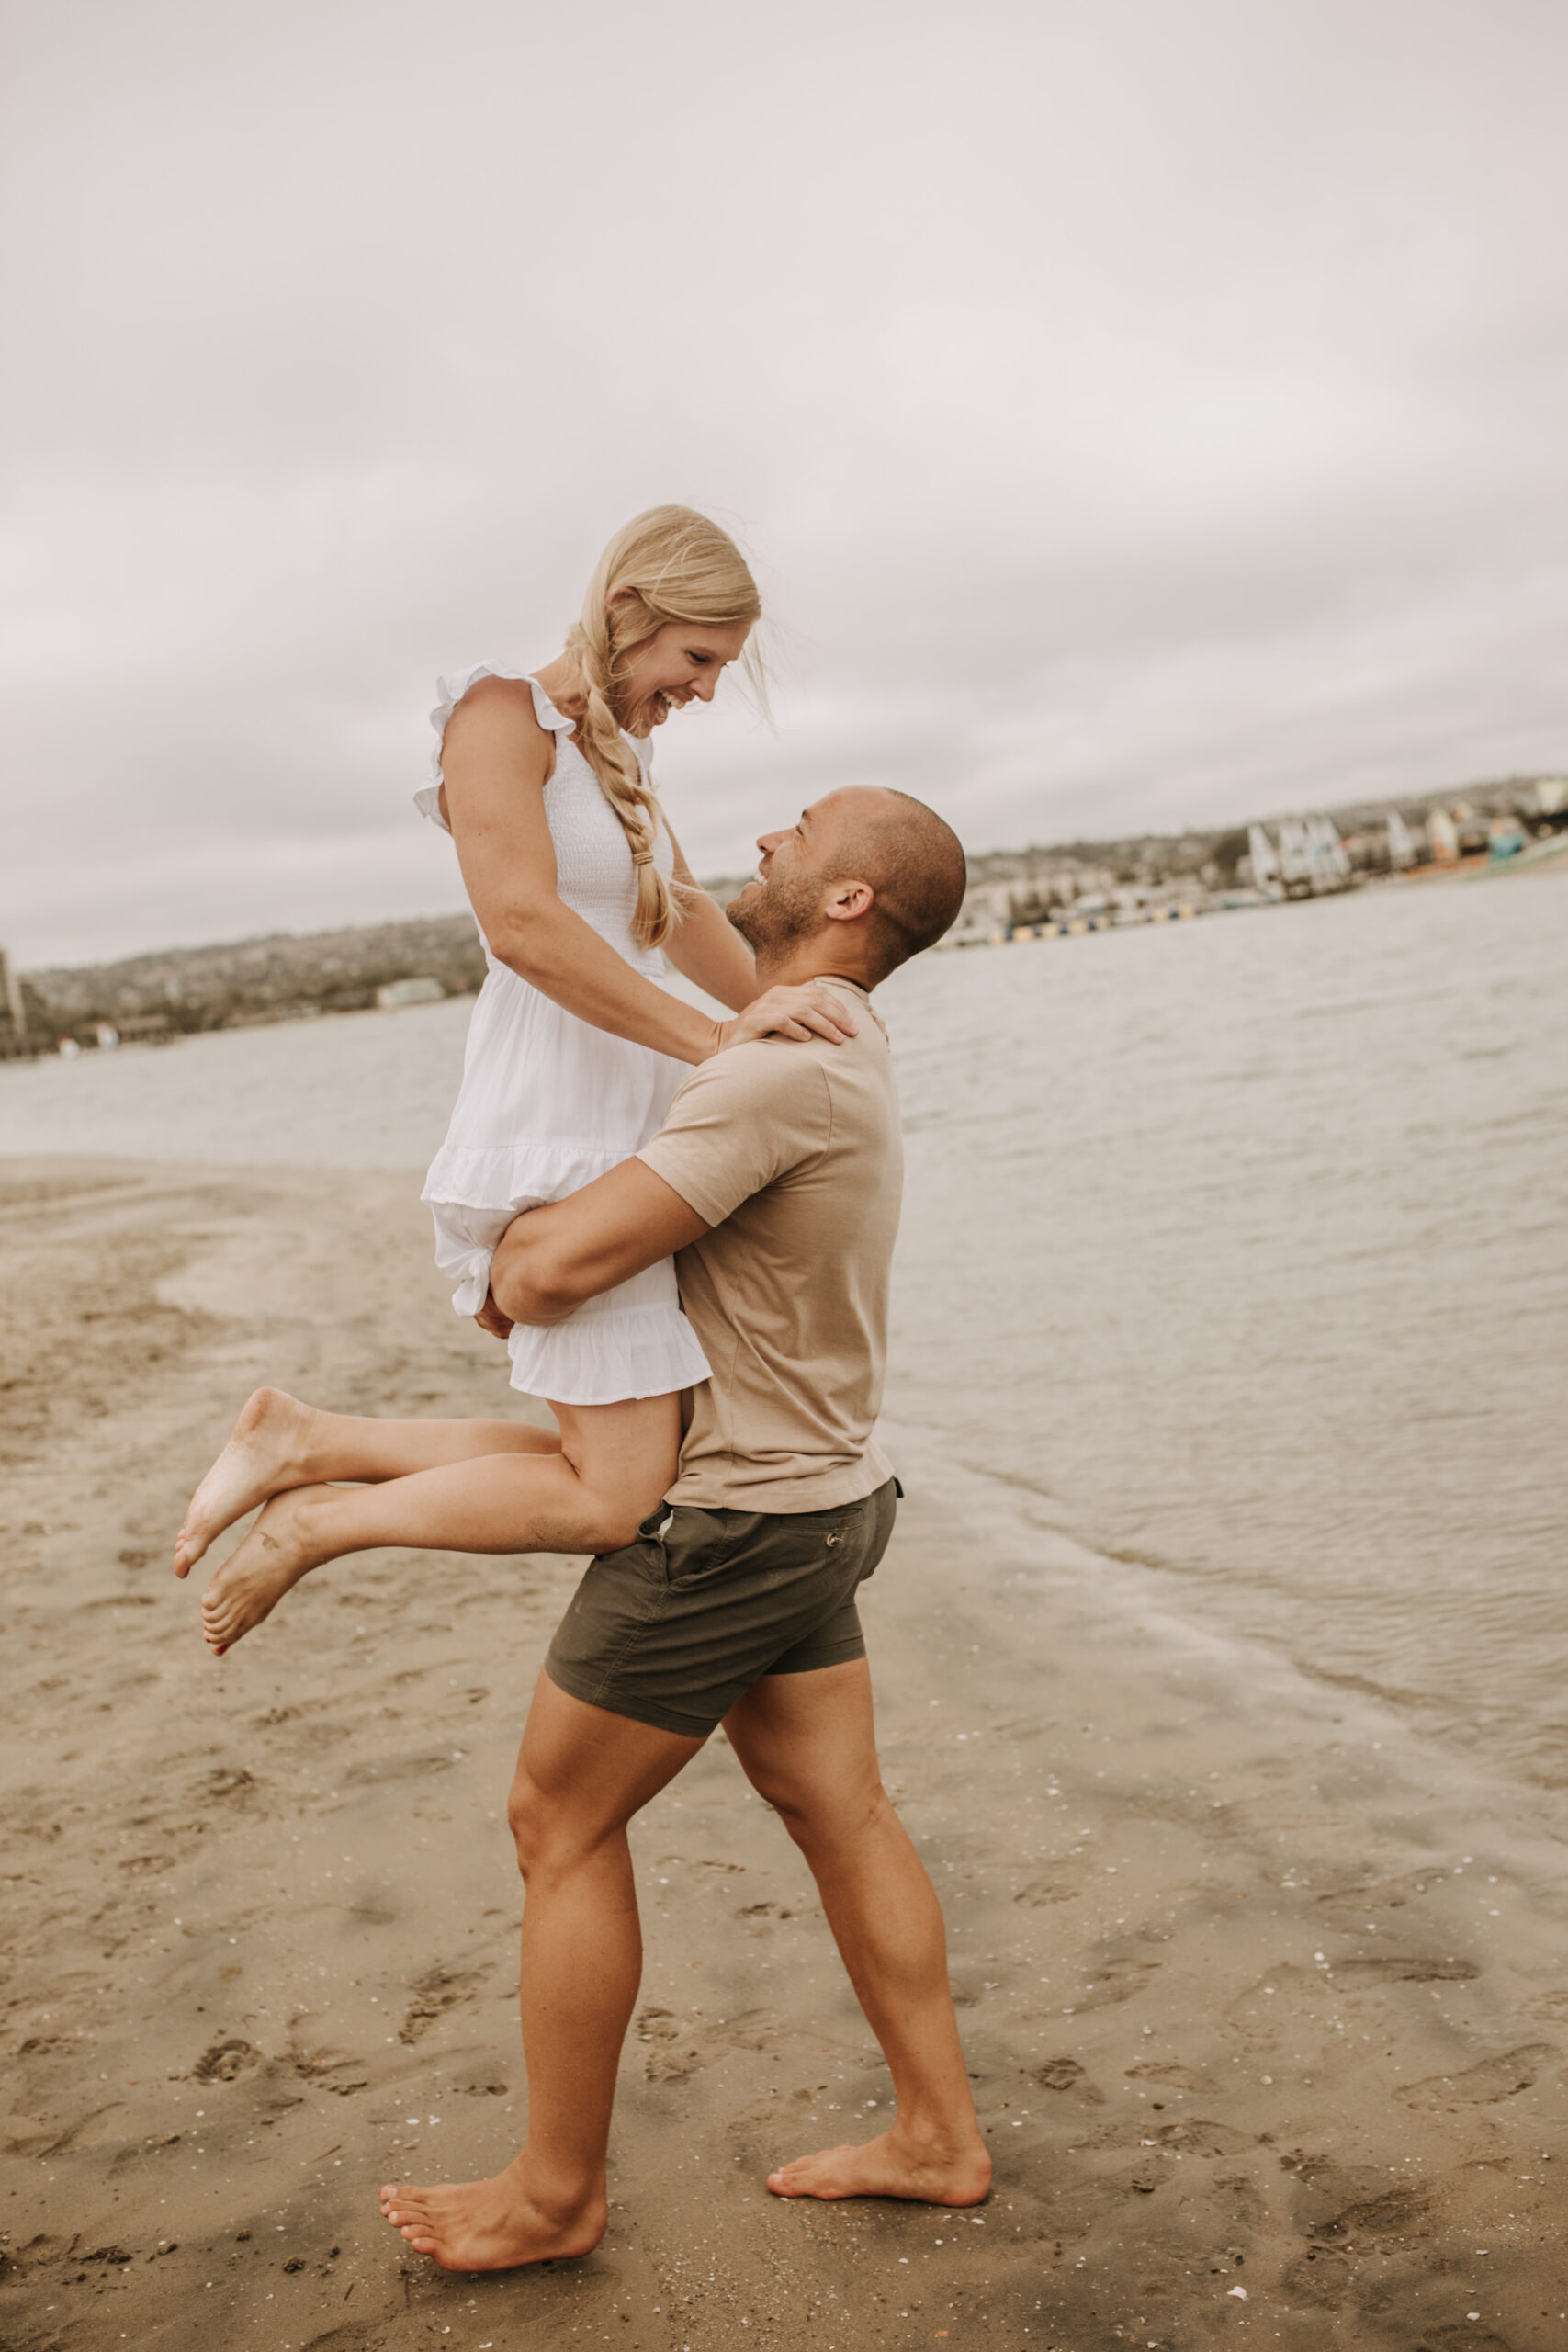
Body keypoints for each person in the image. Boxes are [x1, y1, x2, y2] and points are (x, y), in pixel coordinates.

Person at [173, 506, 859, 1645]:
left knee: (619, 1459)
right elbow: (525, 927)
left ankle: (312, 1444)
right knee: (616, 1493)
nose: (703, 690)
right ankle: (317, 1518)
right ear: (629, 610)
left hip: (639, 1111)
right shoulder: (498, 713)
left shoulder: (624, 746)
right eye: (697, 658)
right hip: (560, 1116)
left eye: (722, 669)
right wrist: (716, 1046)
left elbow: (677, 906)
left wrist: (783, 1014)